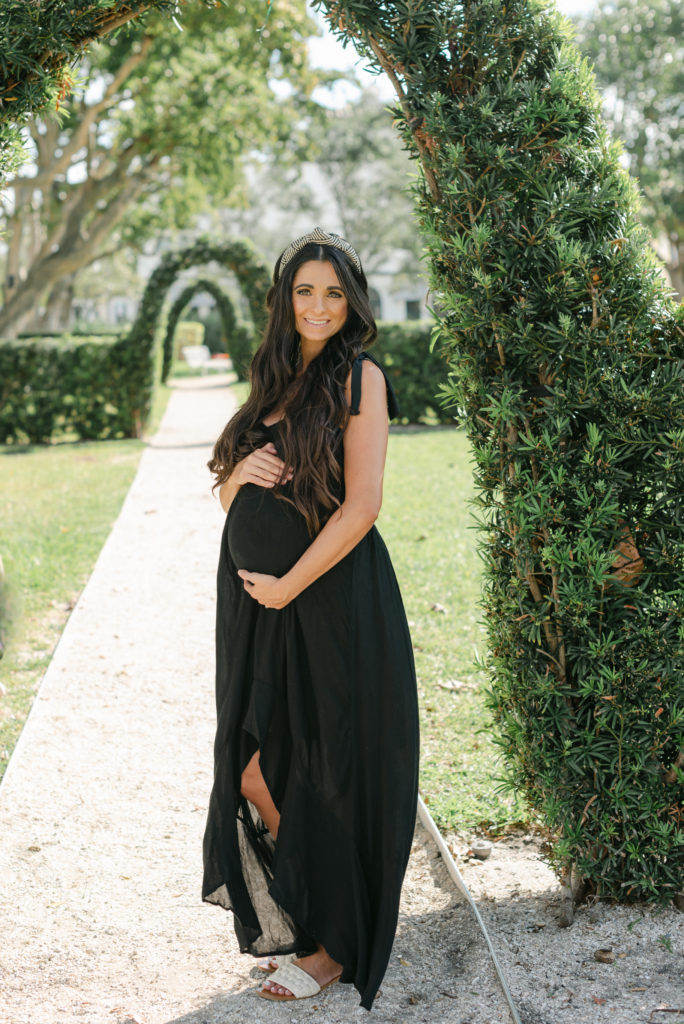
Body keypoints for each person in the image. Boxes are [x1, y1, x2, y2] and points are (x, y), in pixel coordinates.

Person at [202, 227, 420, 1010]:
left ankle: (331, 948)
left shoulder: (360, 378)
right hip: (263, 610)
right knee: (260, 765)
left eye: (333, 292)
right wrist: (239, 476)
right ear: (284, 298)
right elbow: (230, 496)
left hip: (330, 602)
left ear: (351, 300)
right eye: (305, 290)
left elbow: (363, 504)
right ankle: (317, 920)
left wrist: (292, 582)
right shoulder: (272, 378)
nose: (319, 305)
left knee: (323, 769)